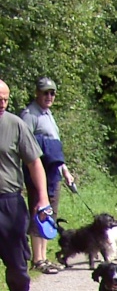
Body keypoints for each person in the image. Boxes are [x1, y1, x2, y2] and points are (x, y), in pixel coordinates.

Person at [0, 79, 48, 291]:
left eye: (5, 99)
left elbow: (33, 162)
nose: (2, 103)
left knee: (17, 263)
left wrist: (42, 197)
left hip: (9, 202)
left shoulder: (15, 124)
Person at [21, 77, 74, 274]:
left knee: (49, 214)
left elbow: (55, 148)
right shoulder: (30, 115)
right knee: (39, 212)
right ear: (37, 93)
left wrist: (65, 171)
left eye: (52, 93)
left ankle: (44, 257)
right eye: (45, 92)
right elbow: (26, 147)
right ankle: (37, 259)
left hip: (53, 173)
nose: (49, 96)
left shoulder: (48, 114)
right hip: (38, 173)